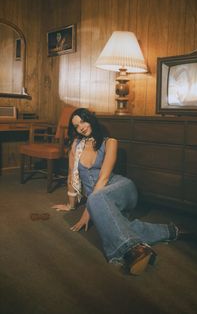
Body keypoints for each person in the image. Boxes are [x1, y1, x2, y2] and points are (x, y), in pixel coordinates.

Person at [52, 108, 184, 275]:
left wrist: (88, 210)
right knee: (117, 220)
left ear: (91, 119)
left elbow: (104, 179)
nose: (81, 127)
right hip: (101, 198)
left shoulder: (110, 142)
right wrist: (70, 205)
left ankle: (127, 250)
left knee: (95, 198)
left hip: (121, 188)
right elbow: (72, 174)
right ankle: (165, 234)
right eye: (77, 126)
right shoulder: (76, 146)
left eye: (83, 121)